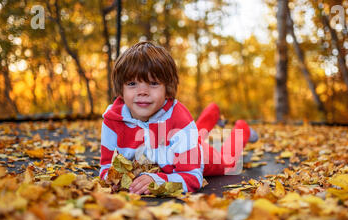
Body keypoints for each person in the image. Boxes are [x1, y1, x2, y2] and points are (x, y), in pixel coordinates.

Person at [99, 41, 258, 195]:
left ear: (167, 89)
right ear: (121, 89)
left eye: (153, 83)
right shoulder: (113, 119)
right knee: (194, 135)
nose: (142, 91)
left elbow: (193, 178)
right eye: (132, 84)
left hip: (198, 155)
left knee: (227, 162)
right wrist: (113, 179)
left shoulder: (179, 119)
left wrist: (157, 180)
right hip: (182, 142)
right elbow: (105, 168)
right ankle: (212, 112)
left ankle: (242, 128)